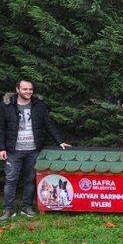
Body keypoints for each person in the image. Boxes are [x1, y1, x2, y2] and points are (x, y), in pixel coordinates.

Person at [0, 79, 71, 222]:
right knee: (11, 180)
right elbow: (1, 128)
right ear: (17, 89)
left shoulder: (39, 105)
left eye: (30, 89)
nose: (28, 92)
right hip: (13, 150)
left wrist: (60, 141)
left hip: (33, 150)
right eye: (25, 89)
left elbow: (48, 124)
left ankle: (27, 207)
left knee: (30, 179)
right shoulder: (5, 105)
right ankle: (8, 209)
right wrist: (1, 148)